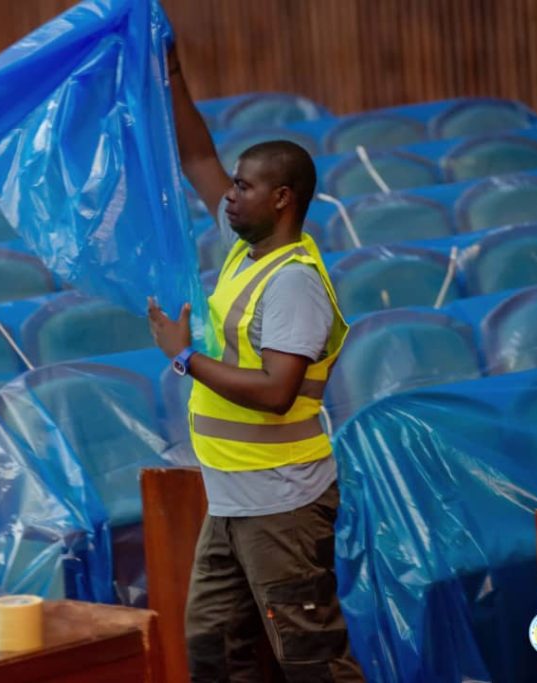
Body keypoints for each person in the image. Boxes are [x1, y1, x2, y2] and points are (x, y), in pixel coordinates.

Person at [146, 44, 365, 682]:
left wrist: (183, 356)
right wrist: (174, 74)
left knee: (310, 657)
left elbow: (277, 391)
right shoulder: (248, 249)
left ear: (282, 199)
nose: (230, 195)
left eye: (245, 187)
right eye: (235, 185)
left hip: (281, 502)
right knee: (218, 650)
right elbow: (196, 158)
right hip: (234, 496)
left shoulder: (293, 280)